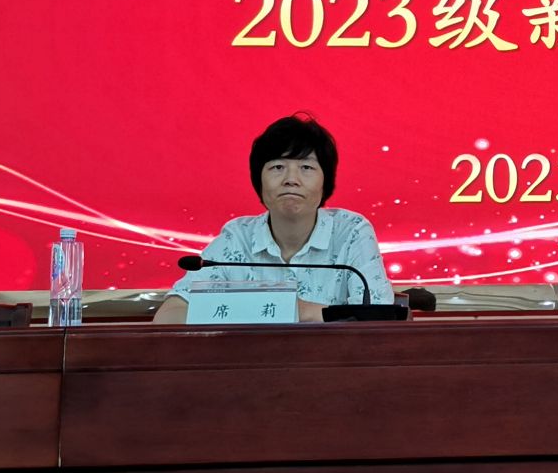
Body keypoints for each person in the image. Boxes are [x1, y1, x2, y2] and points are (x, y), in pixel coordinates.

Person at [154, 113, 392, 324]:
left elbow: (378, 318)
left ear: (325, 182)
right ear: (259, 180)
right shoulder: (237, 237)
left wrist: (297, 310)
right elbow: (169, 316)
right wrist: (277, 309)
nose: (291, 179)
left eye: (306, 168)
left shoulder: (350, 231)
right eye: (277, 167)